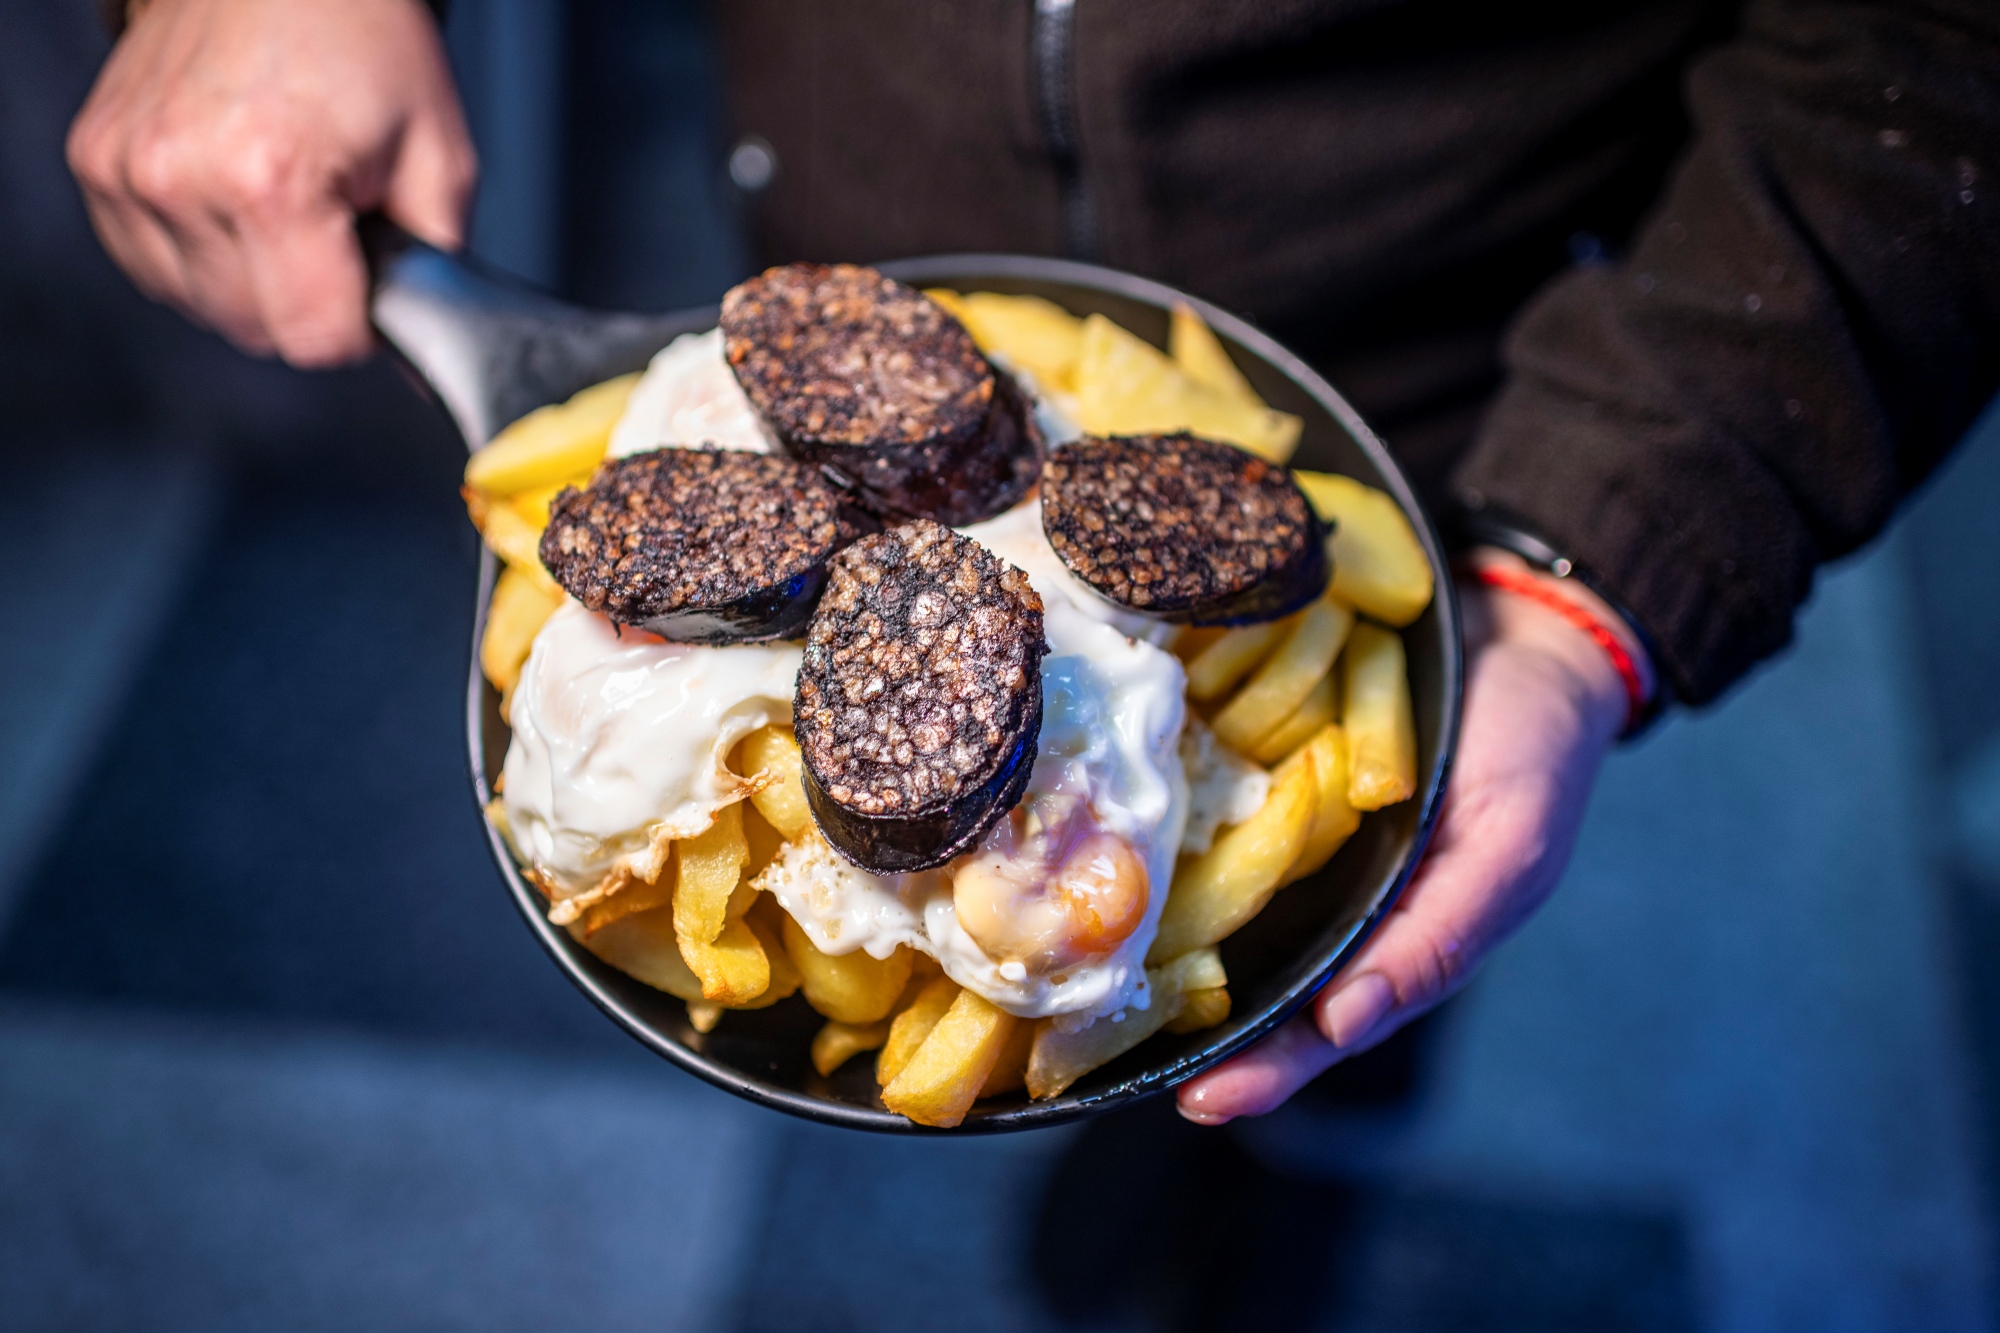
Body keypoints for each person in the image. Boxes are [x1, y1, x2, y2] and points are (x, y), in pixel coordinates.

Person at [66, 0, 2000, 1125]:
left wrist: (1609, 542)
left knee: (1350, 1000)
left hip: (1425, 380)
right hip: (848, 256)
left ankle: (1253, 1230)